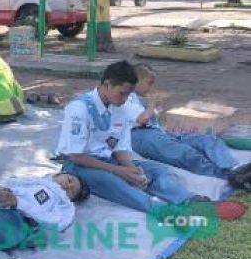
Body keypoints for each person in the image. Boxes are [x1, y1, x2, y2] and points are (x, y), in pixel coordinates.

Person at [57, 61, 206, 213]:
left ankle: (186, 198)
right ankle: (160, 210)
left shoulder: (122, 106)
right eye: (122, 93)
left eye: (129, 94)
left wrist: (130, 167)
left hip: (109, 160)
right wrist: (118, 171)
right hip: (79, 165)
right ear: (107, 84)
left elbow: (119, 145)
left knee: (157, 170)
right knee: (111, 181)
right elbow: (75, 156)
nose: (124, 99)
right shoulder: (79, 109)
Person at [124, 63, 251, 190]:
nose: (151, 87)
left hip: (157, 131)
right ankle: (229, 176)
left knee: (207, 140)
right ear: (137, 80)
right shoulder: (125, 97)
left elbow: (151, 120)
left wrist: (155, 107)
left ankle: (234, 167)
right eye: (149, 83)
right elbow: (141, 119)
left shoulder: (138, 98)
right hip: (140, 135)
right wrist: (153, 104)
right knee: (186, 154)